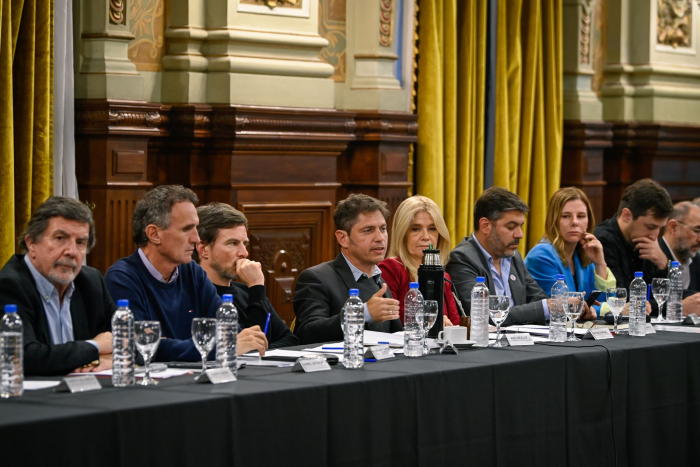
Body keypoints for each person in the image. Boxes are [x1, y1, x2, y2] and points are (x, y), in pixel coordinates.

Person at [105, 186, 268, 362]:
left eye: (196, 228)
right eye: (186, 229)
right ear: (154, 234)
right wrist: (221, 346)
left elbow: (230, 331)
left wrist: (175, 345)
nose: (196, 238)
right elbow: (144, 347)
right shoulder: (122, 278)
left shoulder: (192, 272)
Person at [446, 187, 596, 326]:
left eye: (520, 226)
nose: (520, 234)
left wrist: (572, 310)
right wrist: (550, 306)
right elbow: (482, 316)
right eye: (511, 227)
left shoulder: (513, 256)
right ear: (485, 226)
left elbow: (538, 299)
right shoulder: (462, 259)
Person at [0, 197, 115, 376]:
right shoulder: (9, 286)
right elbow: (24, 357)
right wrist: (95, 347)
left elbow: (132, 341)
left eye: (80, 243)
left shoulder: (91, 282)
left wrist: (111, 359)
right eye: (60, 238)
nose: (71, 251)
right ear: (31, 244)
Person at [293, 193, 403, 345]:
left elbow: (394, 335)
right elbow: (307, 332)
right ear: (342, 238)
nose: (380, 238)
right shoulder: (316, 278)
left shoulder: (379, 280)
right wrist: (362, 314)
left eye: (383, 229)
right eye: (368, 230)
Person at [194, 202, 298, 348]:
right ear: (203, 248)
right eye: (232, 243)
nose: (244, 253)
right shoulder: (194, 294)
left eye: (244, 243)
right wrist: (256, 287)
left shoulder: (248, 292)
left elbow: (290, 340)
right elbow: (248, 347)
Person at [524, 187, 616, 316]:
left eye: (581, 216)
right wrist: (613, 309)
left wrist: (600, 264)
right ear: (554, 220)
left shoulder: (584, 254)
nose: (574, 222)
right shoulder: (541, 256)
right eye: (566, 216)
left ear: (588, 221)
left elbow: (603, 302)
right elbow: (566, 308)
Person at [378, 195, 461, 327]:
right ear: (402, 233)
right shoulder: (390, 269)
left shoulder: (443, 276)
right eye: (416, 229)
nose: (426, 237)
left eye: (432, 229)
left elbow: (457, 326)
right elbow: (389, 324)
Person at [593, 179, 673, 292]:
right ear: (626, 216)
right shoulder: (602, 241)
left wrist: (663, 265)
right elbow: (620, 297)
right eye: (651, 227)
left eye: (660, 228)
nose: (655, 236)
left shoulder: (647, 243)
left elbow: (666, 296)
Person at [658, 201, 700, 315]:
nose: (699, 239)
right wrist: (677, 307)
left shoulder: (696, 259)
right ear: (673, 227)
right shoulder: (650, 257)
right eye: (697, 230)